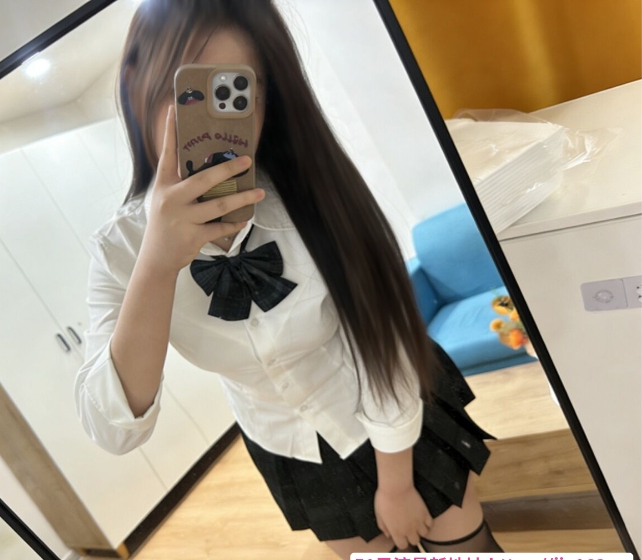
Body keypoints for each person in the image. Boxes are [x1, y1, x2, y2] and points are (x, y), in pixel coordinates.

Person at [74, 0, 503, 556]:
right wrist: (156, 262)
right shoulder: (118, 253)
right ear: (136, 86)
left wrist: (396, 484)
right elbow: (114, 429)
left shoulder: (312, 193)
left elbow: (383, 338)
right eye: (189, 91)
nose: (211, 122)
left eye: (234, 93)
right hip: (291, 449)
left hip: (391, 408)